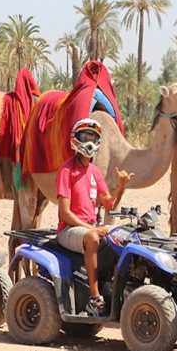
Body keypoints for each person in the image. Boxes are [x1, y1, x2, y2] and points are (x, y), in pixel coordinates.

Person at [56, 119, 133, 316]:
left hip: (88, 227)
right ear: (76, 139)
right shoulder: (66, 170)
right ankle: (94, 298)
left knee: (123, 238)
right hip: (68, 230)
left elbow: (109, 204)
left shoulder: (95, 172)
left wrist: (121, 187)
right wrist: (91, 229)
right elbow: (64, 213)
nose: (89, 142)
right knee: (92, 237)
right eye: (86, 136)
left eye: (93, 137)